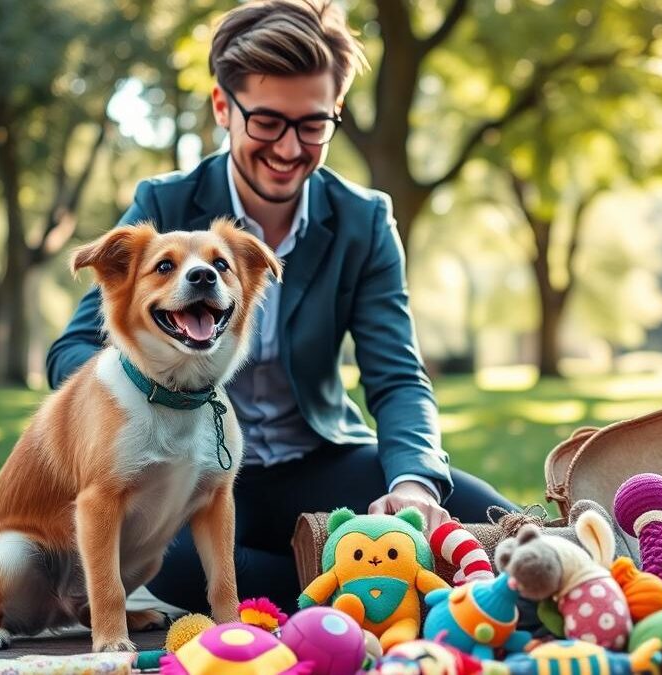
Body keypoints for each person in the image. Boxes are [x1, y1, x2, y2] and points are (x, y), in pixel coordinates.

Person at [46, 0, 516, 614]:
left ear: (335, 114)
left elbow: (397, 376)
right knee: (196, 572)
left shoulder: (363, 221)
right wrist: (142, 409)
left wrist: (412, 485)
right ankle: (372, 587)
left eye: (313, 125)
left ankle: (537, 580)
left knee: (495, 522)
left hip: (322, 461)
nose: (290, 148)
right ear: (223, 107)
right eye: (267, 122)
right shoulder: (164, 204)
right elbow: (72, 352)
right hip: (187, 476)